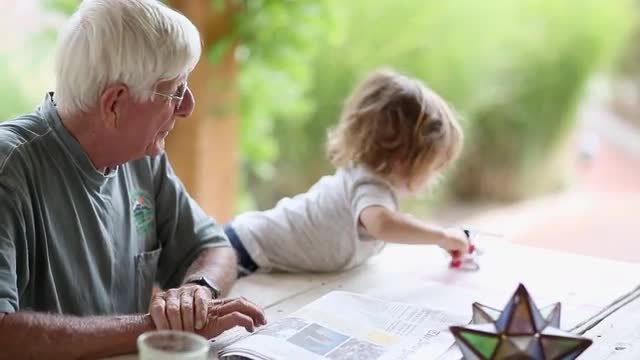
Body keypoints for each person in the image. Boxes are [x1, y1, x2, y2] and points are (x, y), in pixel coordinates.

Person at [0, 0, 265, 358]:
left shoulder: (141, 157)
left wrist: (196, 292)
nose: (187, 107)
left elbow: (213, 248)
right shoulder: (9, 169)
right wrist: (158, 327)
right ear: (115, 104)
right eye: (174, 91)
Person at [224, 68, 470, 275]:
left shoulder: (367, 182)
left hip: (246, 246)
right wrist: (442, 236)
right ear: (404, 158)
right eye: (434, 167)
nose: (435, 177)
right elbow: (383, 225)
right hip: (242, 251)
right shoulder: (370, 187)